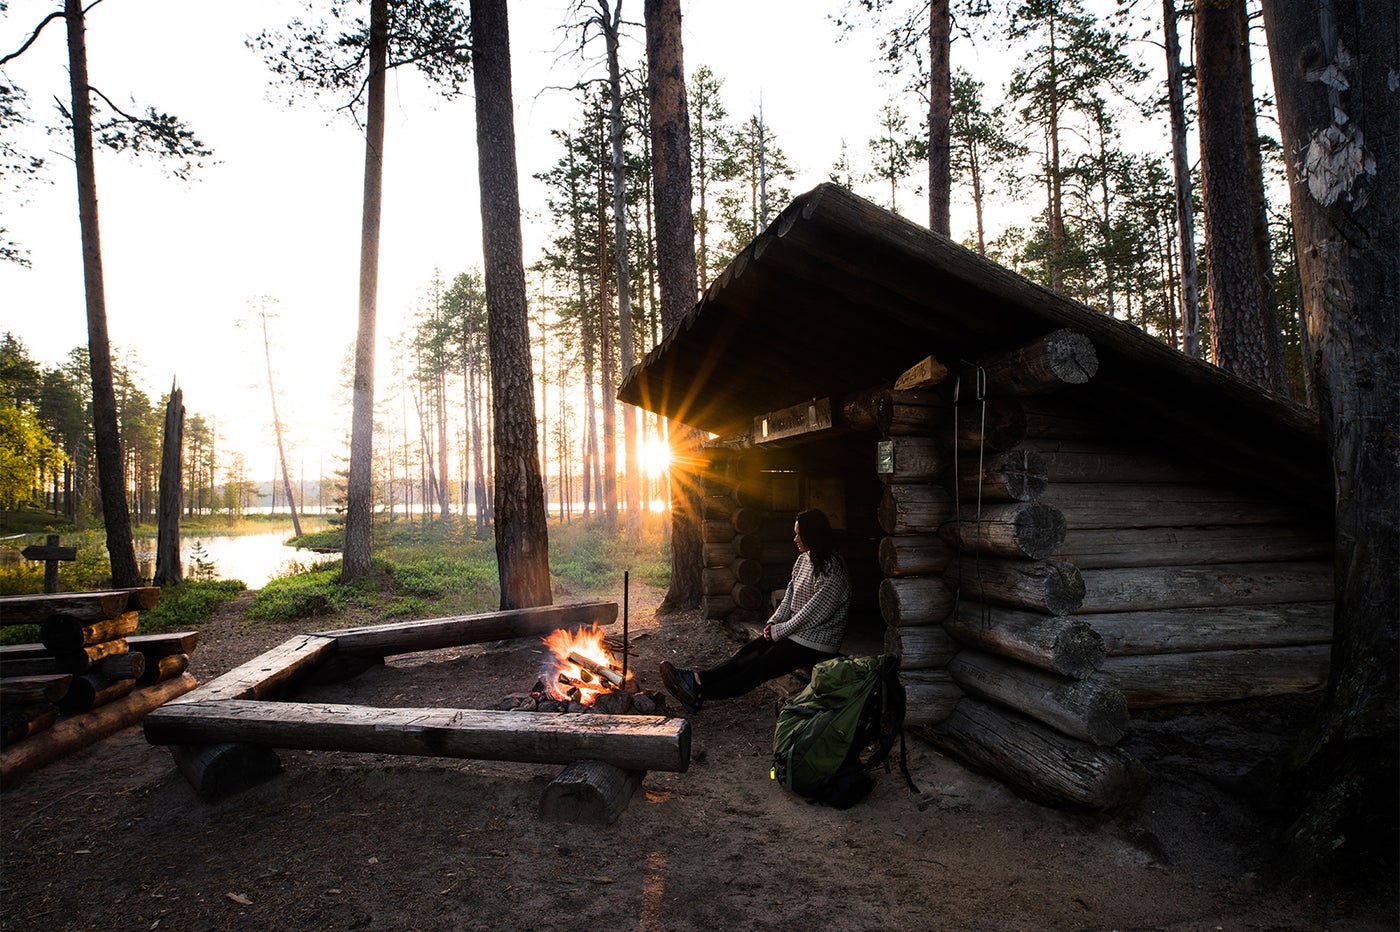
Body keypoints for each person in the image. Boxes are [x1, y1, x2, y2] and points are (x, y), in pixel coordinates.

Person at [660, 508, 850, 714]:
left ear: (812, 535)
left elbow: (814, 613)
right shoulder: (804, 560)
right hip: (796, 634)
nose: (795, 539)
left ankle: (698, 693)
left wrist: (780, 631)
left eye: (799, 534)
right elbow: (790, 596)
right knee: (748, 653)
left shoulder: (833, 569)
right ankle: (696, 680)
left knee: (758, 668)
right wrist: (773, 622)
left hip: (817, 642)